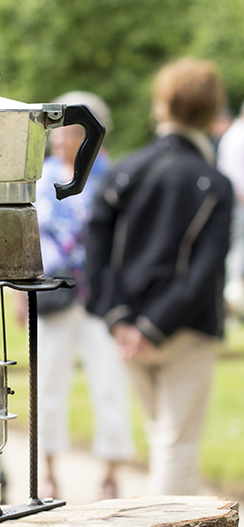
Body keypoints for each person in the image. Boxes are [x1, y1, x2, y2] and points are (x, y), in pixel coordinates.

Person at [86, 58, 232, 495]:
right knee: (176, 445)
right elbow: (205, 270)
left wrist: (119, 318)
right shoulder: (213, 182)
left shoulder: (124, 171)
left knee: (162, 438)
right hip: (182, 328)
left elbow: (97, 251)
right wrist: (154, 325)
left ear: (162, 105)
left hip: (128, 326)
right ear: (211, 111)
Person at [17, 92, 134, 499]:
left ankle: (112, 473)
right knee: (46, 382)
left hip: (101, 298)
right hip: (53, 295)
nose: (58, 138)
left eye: (67, 129)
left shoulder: (112, 176)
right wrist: (20, 295)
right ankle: (47, 468)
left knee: (110, 384)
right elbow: (26, 238)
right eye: (56, 130)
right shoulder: (40, 176)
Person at [217, 102, 244, 315]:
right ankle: (233, 303)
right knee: (237, 254)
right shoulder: (239, 135)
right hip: (239, 204)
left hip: (231, 202)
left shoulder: (232, 134)